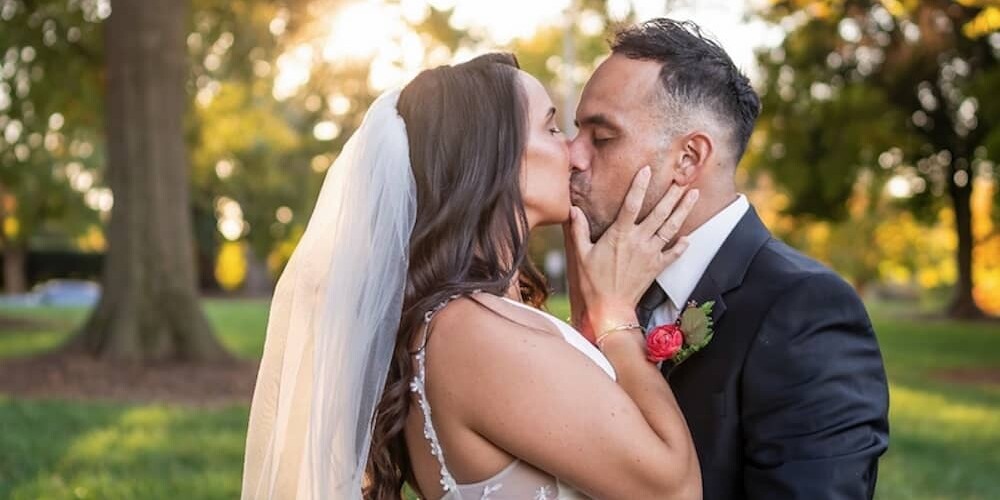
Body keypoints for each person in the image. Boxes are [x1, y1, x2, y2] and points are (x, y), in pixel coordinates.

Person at [241, 53, 703, 499]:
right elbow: (674, 490)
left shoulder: (469, 321)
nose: (575, 153)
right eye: (552, 127)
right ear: (492, 159)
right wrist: (615, 317)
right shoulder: (470, 333)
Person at [568, 19, 890, 499]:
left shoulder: (806, 310)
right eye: (575, 133)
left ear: (689, 159)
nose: (572, 155)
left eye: (602, 137)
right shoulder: (609, 290)